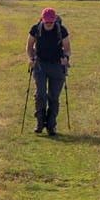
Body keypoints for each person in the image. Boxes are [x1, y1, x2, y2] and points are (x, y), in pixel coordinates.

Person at [26, 7, 70, 136]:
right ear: (42, 20)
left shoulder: (61, 30)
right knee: (40, 94)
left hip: (57, 66)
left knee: (53, 97)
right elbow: (29, 47)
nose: (49, 25)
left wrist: (66, 58)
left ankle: (51, 125)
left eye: (51, 22)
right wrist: (30, 59)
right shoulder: (35, 29)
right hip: (40, 65)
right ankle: (40, 122)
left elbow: (67, 49)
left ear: (55, 20)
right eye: (46, 22)